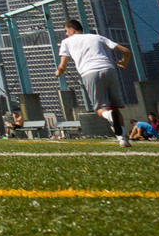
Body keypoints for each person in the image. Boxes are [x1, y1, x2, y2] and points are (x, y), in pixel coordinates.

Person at [53, 18, 134, 146]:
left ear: (72, 30)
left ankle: (109, 116)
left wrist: (58, 73)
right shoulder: (96, 37)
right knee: (116, 108)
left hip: (89, 73)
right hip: (109, 69)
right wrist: (124, 62)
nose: (66, 34)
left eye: (66, 31)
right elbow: (126, 51)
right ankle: (123, 139)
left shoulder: (66, 42)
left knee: (101, 110)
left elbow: (63, 66)